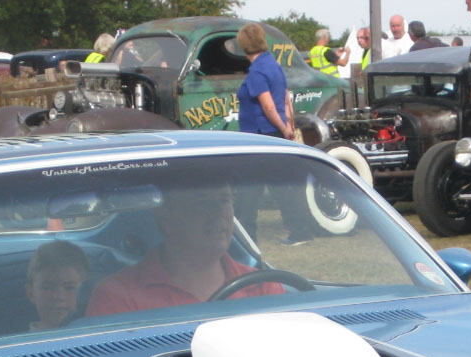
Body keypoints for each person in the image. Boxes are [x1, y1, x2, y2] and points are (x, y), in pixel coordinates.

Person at [86, 179, 286, 317]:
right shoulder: (117, 296)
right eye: (202, 204)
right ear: (166, 219)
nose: (218, 213)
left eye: (224, 201)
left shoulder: (263, 287)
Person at [231, 22, 316, 246]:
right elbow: (285, 98)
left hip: (259, 137)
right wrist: (289, 125)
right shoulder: (273, 64)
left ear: (243, 46)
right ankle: (301, 230)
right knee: (283, 186)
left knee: (249, 190)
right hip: (275, 133)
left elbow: (268, 107)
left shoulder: (257, 71)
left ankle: (247, 239)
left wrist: (285, 128)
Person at [26, 241, 90, 331]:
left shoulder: (100, 334)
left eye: (69, 288)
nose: (59, 296)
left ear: (86, 292)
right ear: (31, 294)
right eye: (47, 288)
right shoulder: (24, 343)